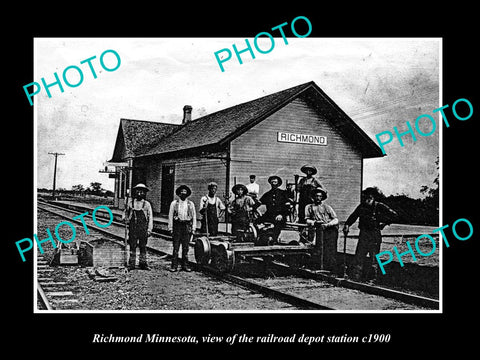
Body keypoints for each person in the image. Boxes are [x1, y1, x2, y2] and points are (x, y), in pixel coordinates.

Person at [342, 187, 398, 282]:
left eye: (370, 197)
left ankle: (372, 278)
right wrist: (347, 224)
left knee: (373, 258)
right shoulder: (362, 206)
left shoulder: (379, 206)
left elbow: (395, 215)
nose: (367, 199)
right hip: (363, 234)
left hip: (374, 235)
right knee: (359, 256)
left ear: (373, 198)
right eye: (365, 197)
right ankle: (356, 277)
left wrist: (385, 223)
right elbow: (353, 216)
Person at [305, 187, 339, 272]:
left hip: (330, 229)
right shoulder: (309, 207)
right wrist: (314, 222)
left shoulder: (327, 207)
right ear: (313, 197)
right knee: (319, 247)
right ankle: (319, 266)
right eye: (316, 196)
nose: (318, 198)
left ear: (322, 197)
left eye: (320, 196)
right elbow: (307, 219)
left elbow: (335, 219)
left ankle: (331, 267)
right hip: (318, 229)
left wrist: (328, 224)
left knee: (330, 248)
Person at [123, 183, 153, 270]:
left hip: (143, 228)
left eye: (142, 192)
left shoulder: (147, 204)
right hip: (133, 227)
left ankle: (143, 264)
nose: (139, 193)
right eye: (138, 191)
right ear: (135, 192)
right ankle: (131, 264)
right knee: (133, 245)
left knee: (143, 246)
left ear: (144, 193)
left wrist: (149, 229)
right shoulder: (130, 203)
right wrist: (124, 218)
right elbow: (125, 212)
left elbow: (150, 217)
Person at [168, 185, 197, 272]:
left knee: (186, 247)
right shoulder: (174, 203)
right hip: (177, 226)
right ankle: (174, 265)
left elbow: (194, 216)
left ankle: (185, 265)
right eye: (181, 192)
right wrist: (170, 228)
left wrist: (193, 228)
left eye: (185, 192)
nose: (183, 194)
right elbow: (170, 216)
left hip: (186, 226)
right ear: (179, 194)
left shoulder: (190, 204)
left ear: (187, 194)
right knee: (176, 247)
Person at [257, 175, 290, 242]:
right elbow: (259, 203)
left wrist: (281, 215)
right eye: (272, 182)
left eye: (275, 182)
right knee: (257, 221)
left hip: (280, 215)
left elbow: (287, 207)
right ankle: (260, 238)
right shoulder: (267, 194)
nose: (273, 184)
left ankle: (274, 239)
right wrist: (252, 207)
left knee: (278, 224)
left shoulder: (283, 193)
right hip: (269, 215)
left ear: (278, 184)